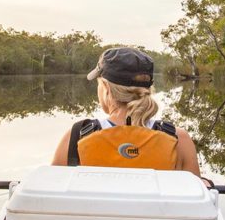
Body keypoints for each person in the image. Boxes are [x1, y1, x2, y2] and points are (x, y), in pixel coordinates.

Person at [51, 47, 201, 176]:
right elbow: (195, 199)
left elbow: (51, 193)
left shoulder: (77, 136)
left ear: (106, 88)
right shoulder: (178, 139)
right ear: (148, 88)